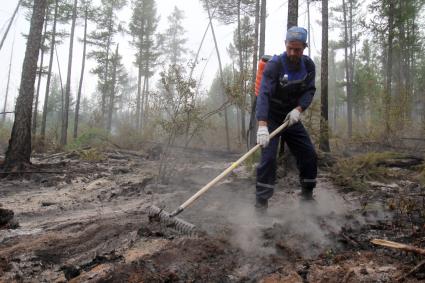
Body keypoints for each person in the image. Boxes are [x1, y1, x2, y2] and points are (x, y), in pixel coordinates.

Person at [255, 26, 317, 209]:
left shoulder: (308, 66)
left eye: (297, 49)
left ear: (304, 47)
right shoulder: (275, 65)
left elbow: (309, 91)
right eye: (290, 47)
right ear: (285, 44)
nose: (292, 52)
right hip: (271, 117)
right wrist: (262, 126)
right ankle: (261, 204)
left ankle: (307, 196)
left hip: (290, 117)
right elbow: (264, 94)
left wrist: (299, 109)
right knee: (268, 158)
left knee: (309, 154)